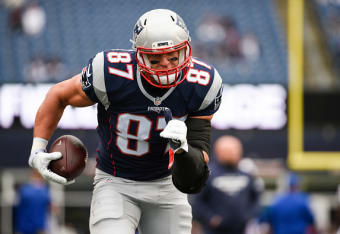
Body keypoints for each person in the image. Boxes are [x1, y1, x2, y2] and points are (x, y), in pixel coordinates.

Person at [28, 9, 223, 234]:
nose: (167, 66)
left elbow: (195, 177)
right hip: (115, 181)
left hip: (167, 184)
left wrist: (183, 150)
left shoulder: (203, 82)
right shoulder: (111, 71)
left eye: (173, 56)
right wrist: (37, 149)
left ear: (186, 49)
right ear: (139, 55)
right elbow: (58, 95)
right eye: (155, 58)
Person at [192, 135, 261, 234]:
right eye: (228, 150)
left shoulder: (246, 175)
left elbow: (255, 199)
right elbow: (198, 202)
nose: (232, 153)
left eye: (235, 149)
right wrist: (210, 218)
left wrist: (248, 217)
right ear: (218, 151)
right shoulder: (208, 174)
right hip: (215, 230)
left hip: (241, 229)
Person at [14, 169, 51, 234]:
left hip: (24, 227)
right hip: (38, 228)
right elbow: (53, 209)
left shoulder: (23, 190)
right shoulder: (45, 192)